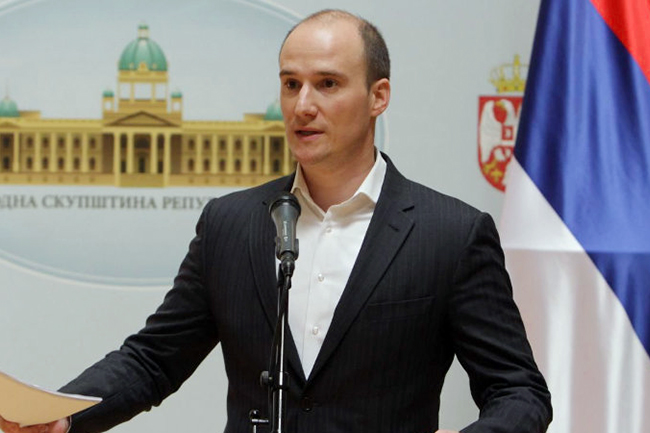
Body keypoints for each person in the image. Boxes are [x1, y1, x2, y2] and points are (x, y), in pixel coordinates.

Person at [0, 9, 551, 433]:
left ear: (378, 96)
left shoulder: (450, 234)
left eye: (327, 84)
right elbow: (153, 360)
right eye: (291, 84)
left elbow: (519, 392)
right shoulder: (231, 223)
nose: (302, 105)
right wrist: (62, 416)